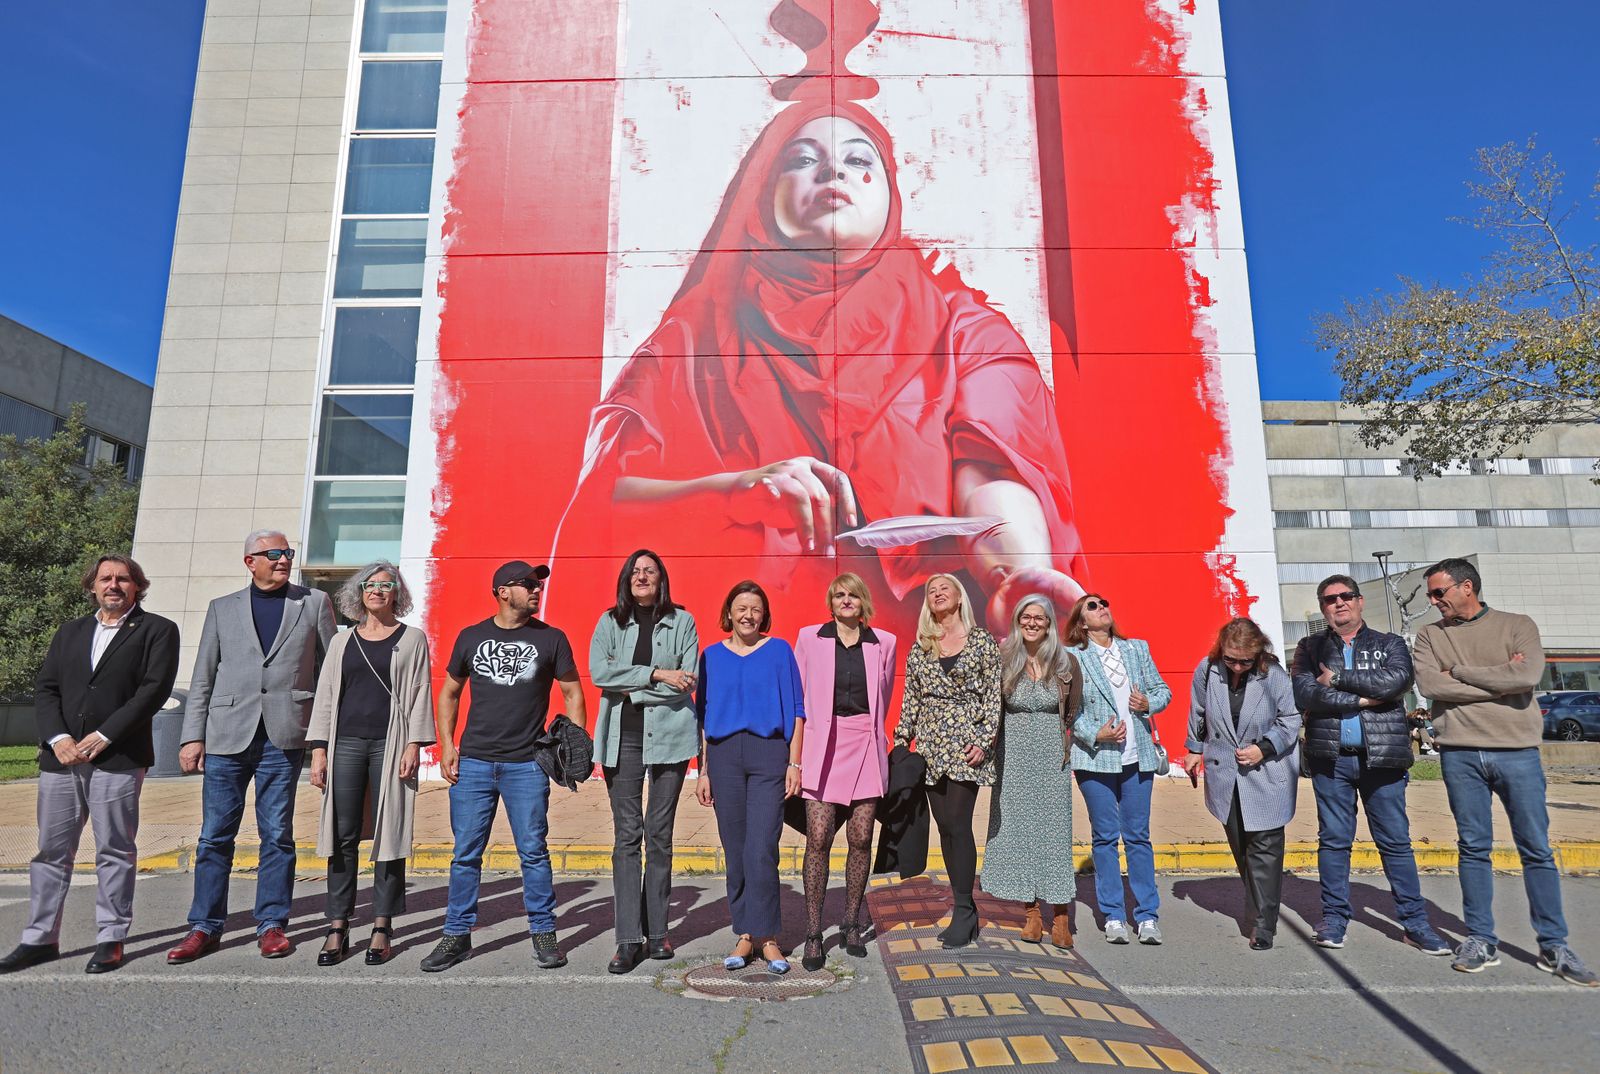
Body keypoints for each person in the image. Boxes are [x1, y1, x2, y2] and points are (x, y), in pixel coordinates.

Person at [555, 97, 1088, 644]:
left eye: (862, 161)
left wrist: (1016, 575)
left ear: (890, 197)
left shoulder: (964, 330)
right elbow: (606, 502)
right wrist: (734, 489)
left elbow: (994, 468)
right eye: (802, 159)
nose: (835, 170)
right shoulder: (692, 341)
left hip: (925, 664)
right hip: (751, 658)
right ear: (761, 194)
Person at [1413, 557, 1597, 986]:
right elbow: (1430, 686)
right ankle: (1480, 939)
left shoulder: (1518, 625)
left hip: (1517, 752)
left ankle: (1554, 944)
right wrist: (1500, 679)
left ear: (1467, 587)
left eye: (1439, 592)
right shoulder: (1428, 636)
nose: (1433, 601)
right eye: (1430, 594)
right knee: (1473, 846)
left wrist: (1459, 671)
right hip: (1459, 753)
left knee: (1535, 848)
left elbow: (1527, 674)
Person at [0, 555, 178, 975]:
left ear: (137, 586)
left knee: (114, 849)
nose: (113, 585)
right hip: (60, 761)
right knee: (50, 852)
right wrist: (58, 738)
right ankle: (39, 938)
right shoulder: (71, 632)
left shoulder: (157, 630)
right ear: (92, 586)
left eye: (123, 579)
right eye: (105, 579)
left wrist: (105, 734)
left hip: (117, 757)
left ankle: (110, 937)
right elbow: (46, 689)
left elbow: (152, 692)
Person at [168, 530, 336, 964]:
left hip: (284, 735)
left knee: (277, 835)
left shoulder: (313, 603)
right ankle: (204, 926)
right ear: (250, 562)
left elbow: (329, 673)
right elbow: (203, 674)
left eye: (288, 554)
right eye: (274, 554)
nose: (283, 560)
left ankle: (272, 924)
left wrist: (323, 737)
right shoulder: (222, 608)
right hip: (227, 735)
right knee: (214, 836)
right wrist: (192, 735)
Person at [421, 561, 588, 973]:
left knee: (533, 852)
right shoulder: (472, 637)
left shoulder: (551, 638)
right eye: (528, 584)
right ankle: (456, 936)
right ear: (502, 591)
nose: (537, 591)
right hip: (474, 761)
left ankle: (544, 934)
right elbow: (449, 694)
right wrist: (447, 746)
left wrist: (574, 745)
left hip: (526, 765)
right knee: (465, 855)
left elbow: (572, 692)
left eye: (538, 585)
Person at [1289, 574, 1450, 956]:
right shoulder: (1309, 648)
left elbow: (1396, 682)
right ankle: (1334, 918)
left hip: (1384, 759)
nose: (1338, 603)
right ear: (1323, 607)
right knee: (1334, 842)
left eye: (1346, 596)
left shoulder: (1389, 643)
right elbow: (1304, 692)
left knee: (1395, 843)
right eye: (1329, 599)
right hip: (1332, 760)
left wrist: (1340, 680)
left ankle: (1414, 923)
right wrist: (1362, 700)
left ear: (1360, 602)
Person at [306, 562, 435, 966]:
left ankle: (382, 924)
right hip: (345, 742)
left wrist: (414, 744)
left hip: (391, 742)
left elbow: (419, 693)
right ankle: (338, 925)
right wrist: (320, 750)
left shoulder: (412, 639)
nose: (377, 591)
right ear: (358, 593)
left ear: (397, 593)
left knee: (389, 831)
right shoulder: (343, 642)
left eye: (386, 585)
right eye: (370, 585)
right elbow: (326, 695)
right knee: (341, 834)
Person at [588, 549, 700, 974]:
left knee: (660, 836)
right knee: (626, 838)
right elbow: (599, 672)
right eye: (635, 571)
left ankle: (658, 933)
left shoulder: (683, 622)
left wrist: (629, 684)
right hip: (623, 741)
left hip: (671, 740)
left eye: (649, 571)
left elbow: (687, 682)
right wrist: (655, 675)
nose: (642, 576)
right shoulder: (609, 622)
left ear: (661, 579)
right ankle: (627, 939)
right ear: (626, 579)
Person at [695, 580, 806, 974]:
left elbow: (796, 709)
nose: (748, 615)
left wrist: (794, 764)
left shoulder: (779, 651)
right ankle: (744, 934)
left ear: (764, 615)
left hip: (767, 755)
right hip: (724, 758)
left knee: (762, 847)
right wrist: (703, 771)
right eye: (741, 607)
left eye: (755, 609)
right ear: (729, 613)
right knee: (736, 848)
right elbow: (703, 718)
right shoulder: (710, 657)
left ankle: (770, 938)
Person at [793, 572, 898, 970]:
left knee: (861, 837)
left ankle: (852, 923)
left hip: (865, 745)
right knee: (818, 838)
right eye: (839, 595)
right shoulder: (809, 638)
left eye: (853, 595)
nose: (846, 601)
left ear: (864, 601)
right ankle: (813, 932)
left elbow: (883, 697)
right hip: (824, 744)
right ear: (831, 602)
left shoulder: (883, 642)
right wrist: (796, 759)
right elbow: (801, 704)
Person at [894, 573, 1002, 950]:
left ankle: (964, 908)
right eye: (931, 591)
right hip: (930, 746)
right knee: (945, 826)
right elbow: (912, 697)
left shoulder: (981, 642)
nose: (938, 594)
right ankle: (963, 906)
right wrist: (901, 739)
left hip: (966, 745)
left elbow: (992, 697)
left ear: (959, 598)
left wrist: (984, 742)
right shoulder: (921, 646)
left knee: (957, 822)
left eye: (945, 589)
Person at [1182, 618, 1301, 951]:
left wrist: (1263, 748)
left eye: (1244, 661)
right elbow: (1198, 711)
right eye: (1231, 659)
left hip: (1266, 772)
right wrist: (1193, 750)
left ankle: (1264, 924)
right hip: (1225, 774)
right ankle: (1259, 905)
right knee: (1243, 849)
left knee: (1264, 848)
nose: (1236, 666)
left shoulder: (1273, 675)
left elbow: (1290, 719)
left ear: (1258, 654)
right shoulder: (1207, 670)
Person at [1065, 593, 1172, 946]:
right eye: (1092, 606)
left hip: (1136, 754)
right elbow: (1068, 708)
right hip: (1095, 757)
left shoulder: (1136, 649)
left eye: (1104, 604)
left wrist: (1149, 702)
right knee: (1105, 837)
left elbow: (1162, 690)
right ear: (1082, 622)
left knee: (1138, 836)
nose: (1102, 609)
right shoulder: (1073, 658)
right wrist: (1094, 733)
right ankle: (1113, 914)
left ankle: (1147, 915)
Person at [981, 595, 1082, 949]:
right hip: (1013, 757)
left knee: (1054, 835)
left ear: (1050, 622)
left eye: (1039, 617)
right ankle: (1032, 914)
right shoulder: (1004, 658)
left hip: (1052, 757)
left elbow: (1073, 709)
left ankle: (1061, 917)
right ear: (1017, 621)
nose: (1032, 622)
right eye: (1026, 616)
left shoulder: (1065, 661)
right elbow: (991, 706)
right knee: (1019, 833)